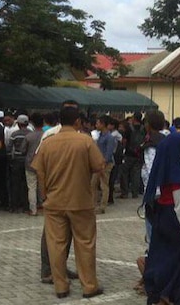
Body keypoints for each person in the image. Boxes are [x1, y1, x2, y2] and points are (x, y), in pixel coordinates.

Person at [32, 105, 105, 299]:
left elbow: (39, 171)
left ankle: (61, 286)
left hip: (54, 201)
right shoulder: (85, 141)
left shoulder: (48, 143)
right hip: (80, 201)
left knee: (56, 245)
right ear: (77, 122)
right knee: (85, 243)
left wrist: (45, 193)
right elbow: (99, 166)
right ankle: (89, 286)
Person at [143, 131, 180, 305]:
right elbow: (179, 204)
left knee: (169, 258)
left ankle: (168, 292)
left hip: (162, 214)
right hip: (173, 218)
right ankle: (169, 293)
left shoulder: (163, 164)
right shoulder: (176, 169)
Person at [92, 115, 117, 215]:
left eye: (98, 123)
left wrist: (104, 164)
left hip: (105, 164)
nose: (96, 125)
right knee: (93, 184)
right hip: (98, 163)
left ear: (103, 124)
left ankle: (102, 206)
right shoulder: (100, 135)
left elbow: (109, 152)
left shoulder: (109, 137)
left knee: (104, 185)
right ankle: (93, 204)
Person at [7, 114, 31, 213]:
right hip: (27, 161)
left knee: (15, 184)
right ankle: (25, 206)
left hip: (16, 160)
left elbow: (9, 148)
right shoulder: (31, 133)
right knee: (26, 184)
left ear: (19, 124)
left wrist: (10, 159)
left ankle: (14, 206)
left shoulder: (14, 134)